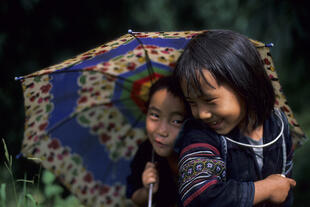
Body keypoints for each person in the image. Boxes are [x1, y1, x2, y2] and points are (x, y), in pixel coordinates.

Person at [172, 30, 296, 207]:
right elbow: (199, 195)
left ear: (244, 84)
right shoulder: (199, 135)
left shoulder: (278, 124)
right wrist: (267, 188)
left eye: (209, 100)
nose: (201, 114)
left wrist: (279, 190)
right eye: (192, 103)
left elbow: (284, 188)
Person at [126, 76, 191, 207]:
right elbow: (134, 196)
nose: (162, 131)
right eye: (155, 115)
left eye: (176, 121)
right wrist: (147, 190)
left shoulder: (201, 154)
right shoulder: (147, 151)